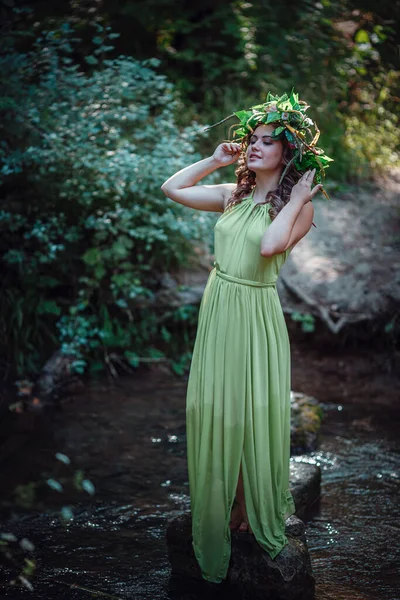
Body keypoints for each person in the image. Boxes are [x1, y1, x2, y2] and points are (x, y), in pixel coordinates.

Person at [161, 90, 333, 583]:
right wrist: (212, 161)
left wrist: (299, 195)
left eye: (266, 142)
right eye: (250, 140)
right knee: (210, 408)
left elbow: (270, 244)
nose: (253, 147)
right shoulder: (231, 194)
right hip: (220, 306)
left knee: (249, 413)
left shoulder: (297, 209)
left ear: (288, 153)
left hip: (255, 311)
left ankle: (245, 510)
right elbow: (172, 188)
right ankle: (223, 506)